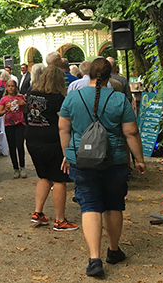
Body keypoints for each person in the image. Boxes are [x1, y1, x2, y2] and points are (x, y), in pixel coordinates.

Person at [59, 58, 146, 277]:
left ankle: (94, 258)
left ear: (87, 74)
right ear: (111, 75)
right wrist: (139, 159)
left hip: (81, 159)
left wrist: (67, 155)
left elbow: (63, 128)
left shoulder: (73, 97)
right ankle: (114, 250)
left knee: (89, 204)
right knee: (114, 205)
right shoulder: (119, 99)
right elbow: (131, 133)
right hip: (114, 159)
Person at [25, 67, 78, 232]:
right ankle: (60, 220)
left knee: (44, 176)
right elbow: (64, 121)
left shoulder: (32, 94)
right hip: (52, 141)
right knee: (59, 179)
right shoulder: (58, 98)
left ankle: (38, 212)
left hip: (32, 139)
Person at [0, 79, 27, 178]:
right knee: (12, 146)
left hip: (20, 123)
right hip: (9, 124)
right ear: (6, 88)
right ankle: (15, 168)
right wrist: (5, 110)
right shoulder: (4, 99)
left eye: (12, 86)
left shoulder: (19, 97)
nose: (11, 88)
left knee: (20, 144)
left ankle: (22, 166)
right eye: (9, 86)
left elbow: (26, 110)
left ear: (16, 87)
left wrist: (23, 104)